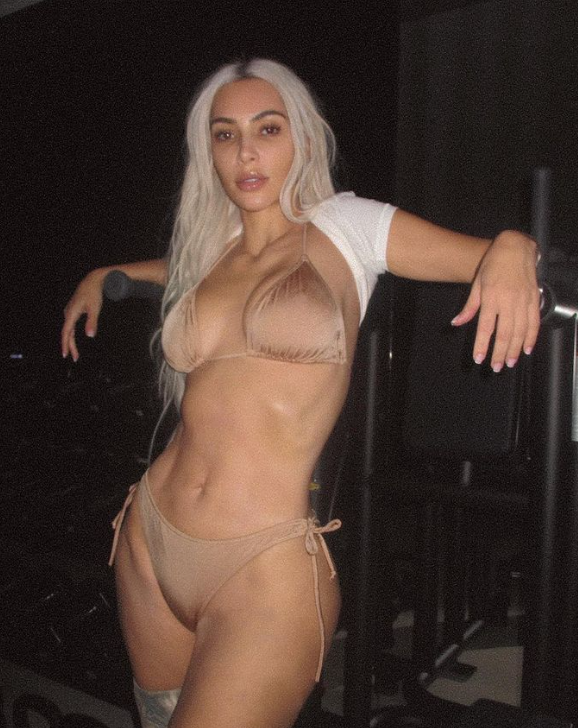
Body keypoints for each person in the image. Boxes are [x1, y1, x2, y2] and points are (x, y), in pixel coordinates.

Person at [61, 58, 540, 728]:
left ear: (303, 139)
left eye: (268, 128)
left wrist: (515, 244)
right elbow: (173, 271)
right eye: (225, 135)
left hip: (262, 568)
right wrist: (105, 273)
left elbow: (484, 257)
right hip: (150, 541)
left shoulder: (347, 228)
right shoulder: (211, 252)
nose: (246, 152)